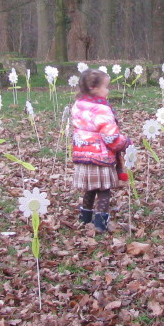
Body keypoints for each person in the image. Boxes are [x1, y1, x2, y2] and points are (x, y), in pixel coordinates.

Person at [71, 69, 131, 233]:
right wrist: (124, 143)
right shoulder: (101, 110)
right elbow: (110, 137)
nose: (108, 90)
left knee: (90, 188)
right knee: (104, 190)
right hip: (100, 157)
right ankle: (100, 222)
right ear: (93, 88)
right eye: (105, 87)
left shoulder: (78, 105)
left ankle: (85, 218)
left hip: (83, 154)